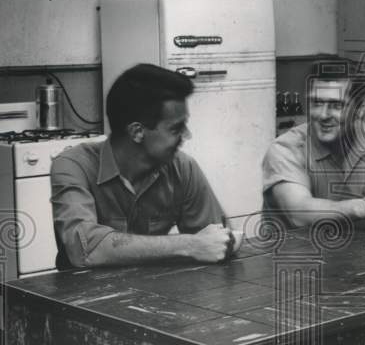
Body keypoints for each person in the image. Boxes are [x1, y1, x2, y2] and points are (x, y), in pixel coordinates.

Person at [51, 63, 233, 268]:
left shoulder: (182, 167)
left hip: (156, 285)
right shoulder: (73, 166)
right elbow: (84, 249)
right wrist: (191, 245)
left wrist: (217, 243)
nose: (187, 135)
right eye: (176, 129)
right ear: (137, 132)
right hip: (82, 288)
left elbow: (217, 241)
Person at [262, 57, 365, 227]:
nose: (323, 115)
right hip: (295, 245)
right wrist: (364, 206)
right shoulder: (285, 149)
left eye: (337, 105)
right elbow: (299, 214)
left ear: (360, 109)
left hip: (359, 244)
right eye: (317, 103)